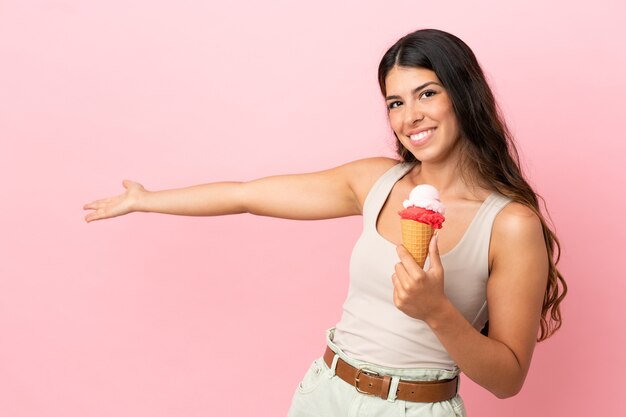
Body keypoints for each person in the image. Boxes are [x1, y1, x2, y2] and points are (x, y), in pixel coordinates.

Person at [83, 29, 567, 416]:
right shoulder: (373, 181)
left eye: (426, 93)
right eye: (395, 102)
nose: (410, 116)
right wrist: (146, 200)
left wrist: (435, 310)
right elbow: (246, 194)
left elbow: (508, 379)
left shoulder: (509, 225)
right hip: (326, 394)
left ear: (463, 95)